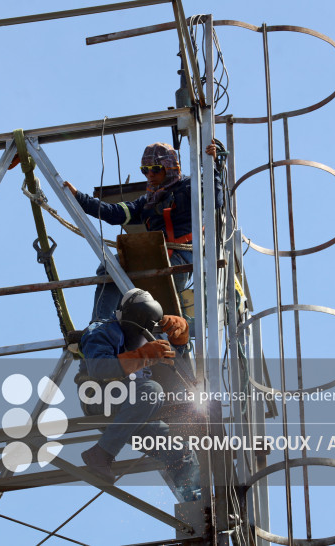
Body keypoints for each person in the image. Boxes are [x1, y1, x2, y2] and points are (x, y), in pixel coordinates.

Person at [64, 141, 224, 322]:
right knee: (110, 266)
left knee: (116, 269)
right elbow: (114, 214)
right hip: (155, 261)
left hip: (176, 262)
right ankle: (102, 325)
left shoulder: (187, 187)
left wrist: (212, 167)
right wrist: (79, 198)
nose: (149, 175)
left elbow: (215, 201)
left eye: (155, 169)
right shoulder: (147, 201)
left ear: (169, 167)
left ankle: (104, 324)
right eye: (145, 170)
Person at [76, 288, 200, 501]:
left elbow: (173, 361)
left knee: (179, 450)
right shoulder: (102, 329)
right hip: (101, 397)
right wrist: (143, 355)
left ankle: (195, 501)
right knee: (151, 390)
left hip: (133, 408)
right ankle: (101, 453)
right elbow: (99, 368)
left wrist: (182, 336)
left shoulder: (148, 336)